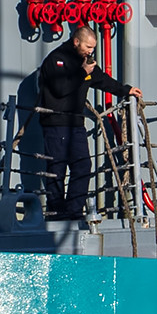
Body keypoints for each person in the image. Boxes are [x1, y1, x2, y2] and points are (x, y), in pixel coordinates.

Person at [30, 23, 137, 223]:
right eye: (88, 47)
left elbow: (102, 80)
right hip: (56, 124)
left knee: (83, 165)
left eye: (93, 48)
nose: (90, 51)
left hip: (75, 125)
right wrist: (82, 73)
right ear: (76, 42)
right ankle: (56, 213)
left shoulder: (85, 63)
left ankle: (74, 211)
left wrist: (126, 90)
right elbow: (60, 88)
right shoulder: (57, 59)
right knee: (57, 170)